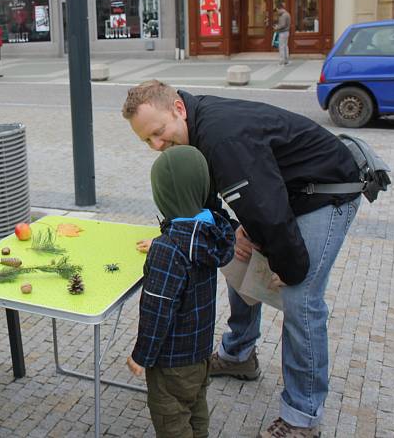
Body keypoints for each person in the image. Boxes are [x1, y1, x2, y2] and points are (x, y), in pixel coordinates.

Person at [122, 81, 362, 438]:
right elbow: (210, 200)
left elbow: (268, 211)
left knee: (300, 298)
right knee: (239, 261)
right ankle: (239, 356)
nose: (157, 146)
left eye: (159, 132)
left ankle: (302, 417)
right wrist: (225, 230)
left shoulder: (221, 138)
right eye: (147, 141)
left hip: (324, 193)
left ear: (179, 109)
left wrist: (288, 266)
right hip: (278, 193)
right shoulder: (194, 132)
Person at [126, 145, 235, 438]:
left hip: (171, 363)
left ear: (164, 196)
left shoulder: (168, 250)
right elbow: (184, 245)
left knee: (172, 420)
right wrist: (163, 241)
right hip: (199, 354)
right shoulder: (209, 233)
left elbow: (157, 310)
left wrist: (141, 356)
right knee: (196, 408)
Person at [274, 1, 291, 65]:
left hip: (283, 33)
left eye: (277, 10)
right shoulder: (287, 13)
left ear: (279, 8)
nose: (277, 11)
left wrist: (277, 27)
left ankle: (281, 61)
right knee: (285, 46)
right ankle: (286, 60)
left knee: (281, 46)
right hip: (286, 32)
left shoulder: (283, 15)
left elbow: (282, 25)